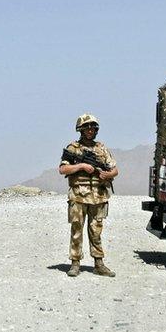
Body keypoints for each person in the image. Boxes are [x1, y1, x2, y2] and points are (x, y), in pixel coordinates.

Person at [59, 113, 119, 277]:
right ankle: (75, 263)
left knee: (96, 231)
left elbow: (114, 170)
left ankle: (99, 264)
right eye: (87, 128)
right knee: (77, 229)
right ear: (81, 129)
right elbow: (63, 169)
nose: (90, 130)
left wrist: (107, 175)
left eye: (93, 128)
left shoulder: (101, 149)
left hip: (98, 196)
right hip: (78, 195)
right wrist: (82, 166)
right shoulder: (72, 149)